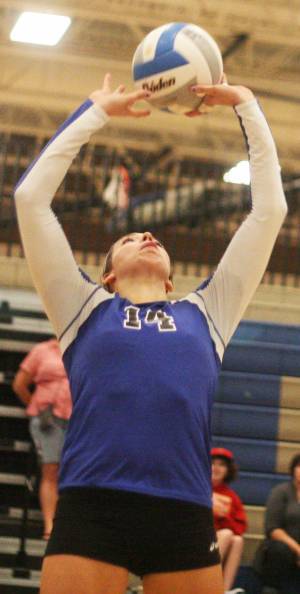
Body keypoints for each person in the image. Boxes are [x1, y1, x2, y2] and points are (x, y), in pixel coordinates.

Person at [14, 72, 287, 594]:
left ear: (170, 276)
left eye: (153, 236)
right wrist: (95, 110)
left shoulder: (209, 310)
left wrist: (247, 105)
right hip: (94, 505)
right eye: (131, 235)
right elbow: (30, 199)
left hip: (182, 509)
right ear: (109, 274)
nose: (147, 234)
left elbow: (270, 211)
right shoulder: (82, 307)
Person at [12, 338, 72, 540]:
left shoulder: (82, 346)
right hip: (48, 419)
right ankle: (50, 525)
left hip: (78, 418)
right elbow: (20, 384)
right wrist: (36, 410)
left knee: (73, 473)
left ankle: (67, 525)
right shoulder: (41, 350)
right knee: (51, 470)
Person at [253, 454, 300, 594]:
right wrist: (298, 550)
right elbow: (273, 529)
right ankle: (270, 590)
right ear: (293, 469)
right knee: (279, 549)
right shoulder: (280, 491)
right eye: (299, 466)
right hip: (282, 549)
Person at [212, 447, 247, 594]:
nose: (216, 468)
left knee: (237, 540)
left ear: (228, 470)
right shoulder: (197, 489)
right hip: (196, 538)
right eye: (212, 463)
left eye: (221, 464)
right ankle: (206, 585)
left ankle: (223, 590)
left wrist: (223, 516)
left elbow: (240, 527)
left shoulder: (231, 497)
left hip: (216, 541)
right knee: (226, 534)